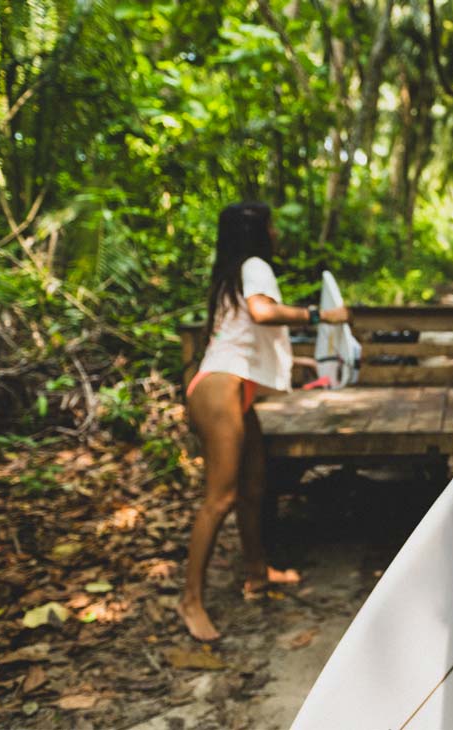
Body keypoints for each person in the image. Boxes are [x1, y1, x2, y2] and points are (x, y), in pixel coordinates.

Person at [179, 202, 349, 642]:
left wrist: (303, 359)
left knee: (254, 486)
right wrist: (320, 315)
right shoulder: (254, 266)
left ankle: (257, 572)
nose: (275, 233)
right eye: (270, 226)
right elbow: (262, 312)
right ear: (257, 233)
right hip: (220, 388)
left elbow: (246, 332)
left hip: (230, 385)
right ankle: (190, 600)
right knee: (220, 498)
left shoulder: (232, 272)